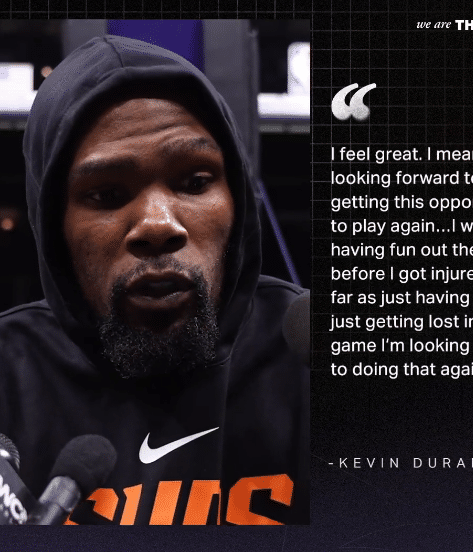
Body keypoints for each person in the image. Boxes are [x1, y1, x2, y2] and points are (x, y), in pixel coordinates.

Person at [0, 35, 309, 525]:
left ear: (237, 201)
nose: (159, 224)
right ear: (54, 227)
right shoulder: (9, 373)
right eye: (106, 194)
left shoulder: (307, 355)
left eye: (195, 182)